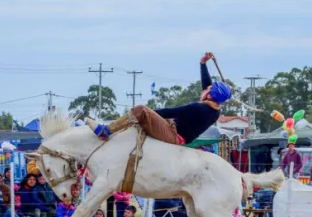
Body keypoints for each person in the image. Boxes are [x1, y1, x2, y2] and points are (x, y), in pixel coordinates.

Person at [88, 52, 232, 146]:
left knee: (141, 110)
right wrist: (203, 63)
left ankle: (106, 131)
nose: (206, 88)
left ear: (210, 95)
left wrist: (146, 113)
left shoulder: (199, 108)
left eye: (208, 89)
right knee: (142, 115)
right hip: (175, 133)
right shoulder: (214, 110)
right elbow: (207, 86)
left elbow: (169, 112)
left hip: (173, 135)